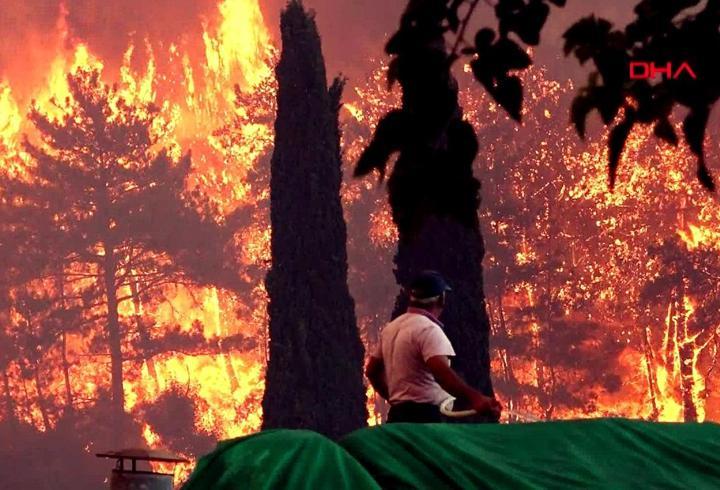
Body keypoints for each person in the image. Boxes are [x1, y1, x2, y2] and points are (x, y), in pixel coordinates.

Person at [365, 270, 502, 423]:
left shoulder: (391, 328)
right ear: (441, 299)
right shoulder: (428, 330)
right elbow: (440, 373)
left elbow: (371, 371)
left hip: (398, 418)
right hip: (426, 418)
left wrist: (394, 399)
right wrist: (475, 398)